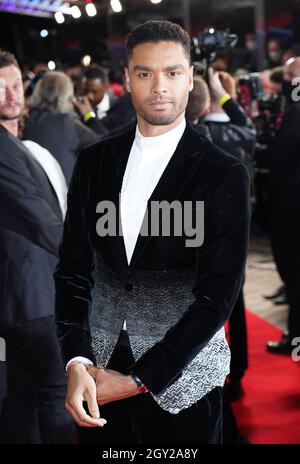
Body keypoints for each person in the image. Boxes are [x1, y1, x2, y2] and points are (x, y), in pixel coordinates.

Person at [55, 20, 250, 444]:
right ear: (127, 79)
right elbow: (72, 272)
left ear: (190, 77)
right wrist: (75, 361)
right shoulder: (94, 161)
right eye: (145, 73)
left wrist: (137, 379)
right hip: (96, 379)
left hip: (185, 383)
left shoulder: (224, 173)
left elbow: (218, 297)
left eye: (173, 73)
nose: (159, 86)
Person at [0, 49, 73, 443]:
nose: (11, 95)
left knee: (25, 391)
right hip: (33, 294)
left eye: (15, 85)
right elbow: (39, 217)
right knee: (55, 391)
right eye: (0, 88)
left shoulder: (15, 144)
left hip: (24, 295)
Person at [267, 57, 300, 354]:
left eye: (291, 77)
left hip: (292, 208)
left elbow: (279, 158)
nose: (285, 83)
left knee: (294, 274)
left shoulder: (294, 114)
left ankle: (295, 340)